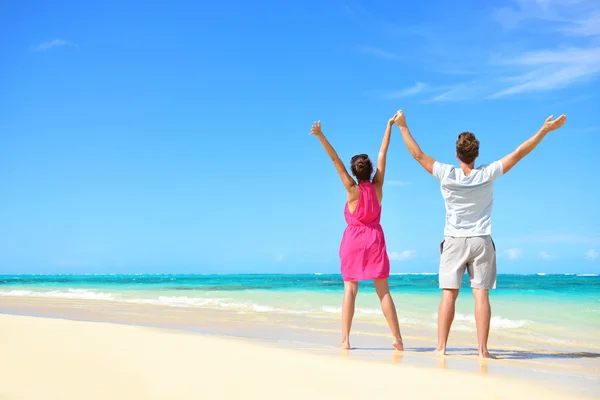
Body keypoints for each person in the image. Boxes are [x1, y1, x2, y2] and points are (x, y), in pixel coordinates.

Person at [392, 110, 567, 358]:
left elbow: (417, 154)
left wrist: (402, 126)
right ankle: (482, 351)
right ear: (477, 154)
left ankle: (441, 348)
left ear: (456, 154)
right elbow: (519, 153)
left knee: (448, 296)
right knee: (481, 295)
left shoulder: (446, 173)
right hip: (481, 240)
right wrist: (543, 131)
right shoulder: (488, 173)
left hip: (454, 241)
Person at [310, 116, 404, 351]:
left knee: (350, 289)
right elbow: (383, 153)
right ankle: (397, 338)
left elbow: (335, 159)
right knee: (383, 292)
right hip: (374, 239)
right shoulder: (378, 187)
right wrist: (389, 126)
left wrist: (320, 135)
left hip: (353, 239)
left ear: (353, 171)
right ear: (371, 170)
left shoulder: (351, 189)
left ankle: (345, 340)